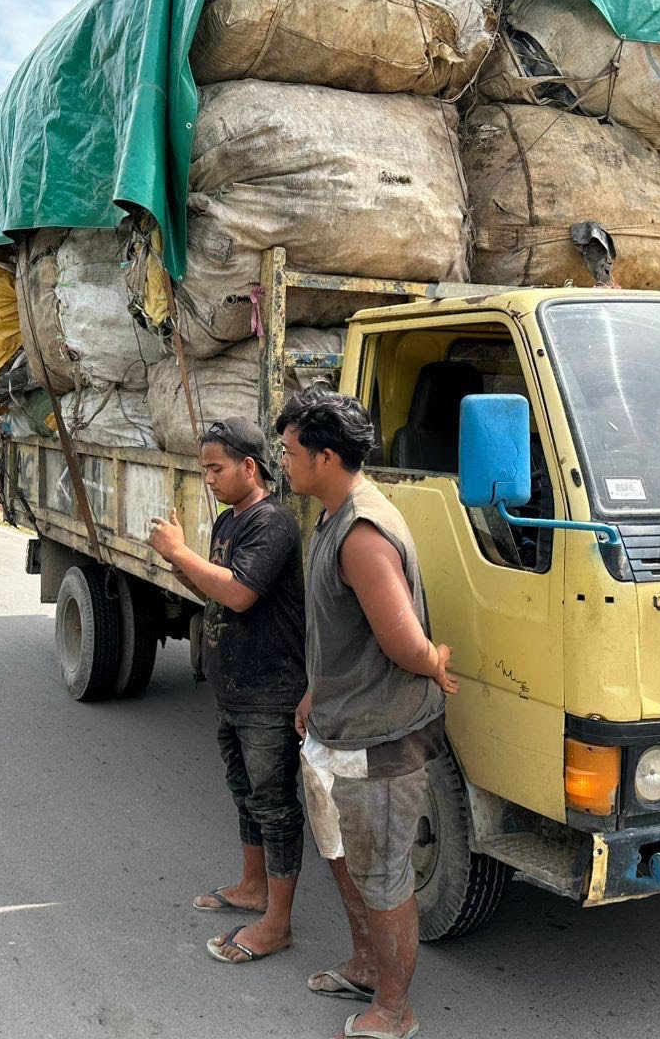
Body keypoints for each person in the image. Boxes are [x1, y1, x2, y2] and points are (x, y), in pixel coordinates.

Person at [274, 386, 457, 1039]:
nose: (282, 461)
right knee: (343, 854)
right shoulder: (332, 514)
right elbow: (342, 628)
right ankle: (365, 967)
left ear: (325, 457)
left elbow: (402, 639)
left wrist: (433, 660)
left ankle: (395, 1010)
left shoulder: (362, 534)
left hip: (379, 740)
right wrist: (316, 692)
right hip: (338, 726)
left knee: (381, 876)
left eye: (290, 451)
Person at [147, 417, 307, 966]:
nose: (209, 478)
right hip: (233, 687)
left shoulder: (272, 523)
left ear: (249, 467)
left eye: (216, 468)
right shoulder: (227, 521)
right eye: (205, 469)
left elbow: (239, 594)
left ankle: (278, 923)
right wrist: (177, 561)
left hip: (269, 689)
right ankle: (252, 887)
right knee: (244, 792)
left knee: (274, 803)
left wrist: (180, 552)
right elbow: (213, 590)